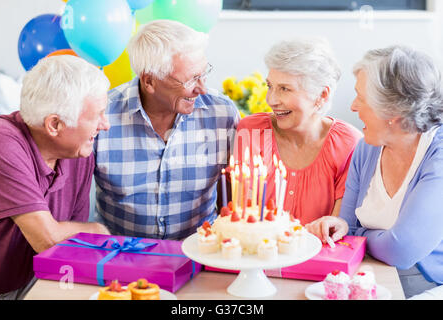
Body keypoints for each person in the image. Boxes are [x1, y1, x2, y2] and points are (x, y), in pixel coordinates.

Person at [306, 45, 443, 298]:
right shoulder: (367, 148)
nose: (353, 107)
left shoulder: (438, 155)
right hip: (366, 274)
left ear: (393, 111)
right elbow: (345, 227)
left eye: (361, 97)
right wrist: (345, 228)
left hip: (425, 286)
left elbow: (401, 251)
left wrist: (357, 234)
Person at [94, 20, 240, 240]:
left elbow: (236, 197)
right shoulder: (103, 115)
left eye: (203, 73)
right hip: (121, 257)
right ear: (149, 81)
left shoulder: (222, 114)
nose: (201, 88)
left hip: (200, 254)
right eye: (191, 79)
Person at [0, 55, 111, 299]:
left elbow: (71, 248)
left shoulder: (79, 153)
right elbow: (48, 240)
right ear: (54, 125)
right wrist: (96, 228)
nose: (105, 124)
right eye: (97, 115)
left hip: (37, 281)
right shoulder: (0, 141)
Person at [233, 38, 362, 225]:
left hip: (321, 253)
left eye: (285, 89)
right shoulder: (252, 132)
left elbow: (338, 230)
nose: (271, 100)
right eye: (270, 86)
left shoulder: (349, 144)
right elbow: (243, 219)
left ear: (321, 95)